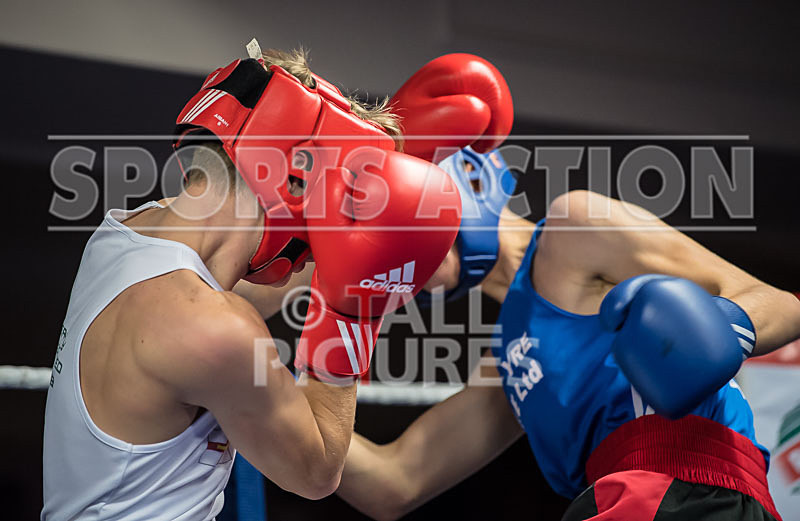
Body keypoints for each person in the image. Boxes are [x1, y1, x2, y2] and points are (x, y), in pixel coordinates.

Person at [332, 55, 800, 521]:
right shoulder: (509, 362)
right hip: (609, 503)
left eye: (399, 216)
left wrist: (720, 330)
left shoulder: (574, 227)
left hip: (692, 493)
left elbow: (779, 303)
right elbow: (396, 481)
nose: (392, 248)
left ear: (465, 177)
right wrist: (269, 399)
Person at [40, 40, 462, 520]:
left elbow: (221, 288)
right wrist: (354, 307)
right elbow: (318, 471)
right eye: (336, 201)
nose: (317, 242)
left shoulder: (123, 234)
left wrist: (375, 238)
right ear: (297, 178)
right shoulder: (217, 330)